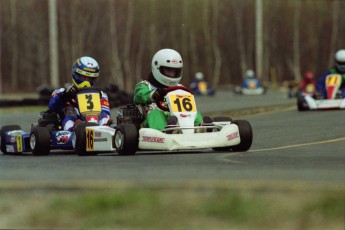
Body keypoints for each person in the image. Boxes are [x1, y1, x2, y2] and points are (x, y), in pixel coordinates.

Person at [133, 48, 204, 131]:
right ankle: (165, 132)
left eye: (175, 71)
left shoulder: (180, 87)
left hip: (178, 119)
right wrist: (154, 95)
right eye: (168, 70)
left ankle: (200, 128)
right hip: (151, 122)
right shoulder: (145, 85)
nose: (172, 74)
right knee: (155, 114)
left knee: (194, 113)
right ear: (157, 68)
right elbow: (139, 95)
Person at [48, 56, 112, 131]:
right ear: (76, 74)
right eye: (84, 77)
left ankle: (104, 128)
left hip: (95, 121)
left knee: (104, 114)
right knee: (70, 113)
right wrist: (64, 95)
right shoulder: (62, 91)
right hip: (74, 122)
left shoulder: (101, 94)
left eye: (90, 78)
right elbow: (52, 105)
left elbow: (106, 111)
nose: (87, 82)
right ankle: (74, 130)